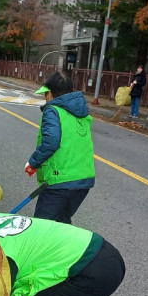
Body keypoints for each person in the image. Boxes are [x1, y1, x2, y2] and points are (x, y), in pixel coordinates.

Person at [25, 71, 95, 224]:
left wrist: (33, 162)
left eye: (45, 94)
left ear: (50, 93)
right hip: (84, 181)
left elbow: (51, 141)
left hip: (60, 181)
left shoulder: (53, 110)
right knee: (61, 224)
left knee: (42, 227)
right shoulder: (83, 114)